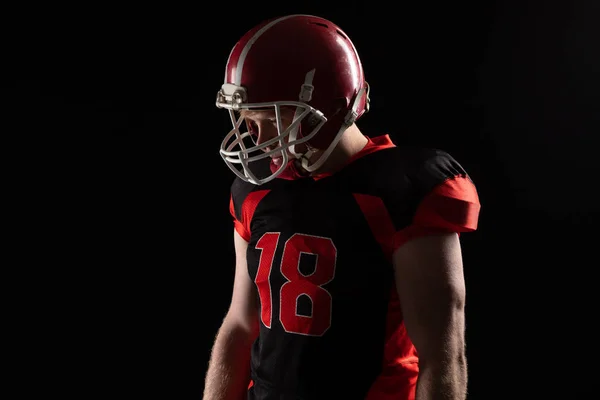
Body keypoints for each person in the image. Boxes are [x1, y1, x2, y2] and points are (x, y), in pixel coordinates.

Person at [203, 14, 481, 400]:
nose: (258, 139)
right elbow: (239, 327)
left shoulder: (403, 190)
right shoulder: (256, 190)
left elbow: (442, 355)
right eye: (249, 120)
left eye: (271, 119)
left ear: (330, 108)